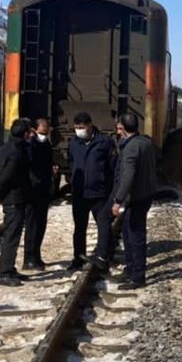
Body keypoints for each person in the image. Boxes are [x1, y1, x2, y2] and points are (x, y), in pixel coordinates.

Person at [112, 112, 157, 289]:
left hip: (135, 198)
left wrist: (118, 199)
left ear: (123, 128)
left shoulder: (130, 148)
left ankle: (137, 276)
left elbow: (128, 176)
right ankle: (130, 269)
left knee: (135, 236)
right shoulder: (146, 142)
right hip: (145, 194)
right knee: (128, 231)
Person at [67, 111, 113, 271]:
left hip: (98, 192)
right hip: (79, 193)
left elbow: (111, 167)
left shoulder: (104, 142)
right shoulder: (73, 143)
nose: (79, 130)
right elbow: (71, 162)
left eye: (82, 127)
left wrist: (108, 188)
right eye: (76, 127)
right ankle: (78, 257)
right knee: (79, 227)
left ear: (90, 126)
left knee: (103, 225)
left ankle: (103, 256)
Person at [0, 117, 33, 286]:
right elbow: (4, 177)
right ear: (24, 133)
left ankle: (10, 268)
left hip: (14, 197)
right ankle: (4, 273)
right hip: (14, 198)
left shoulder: (10, 147)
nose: (31, 135)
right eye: (29, 132)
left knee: (13, 234)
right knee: (11, 236)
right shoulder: (16, 153)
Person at [23, 117, 56, 270]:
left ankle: (36, 255)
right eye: (42, 132)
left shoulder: (46, 144)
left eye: (46, 132)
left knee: (40, 224)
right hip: (32, 190)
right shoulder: (30, 145)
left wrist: (52, 169)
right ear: (34, 130)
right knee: (31, 225)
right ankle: (28, 257)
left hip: (43, 189)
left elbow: (47, 162)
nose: (44, 135)